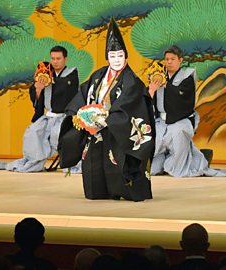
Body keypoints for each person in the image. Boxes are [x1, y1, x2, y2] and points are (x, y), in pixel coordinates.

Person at [58, 18, 155, 201]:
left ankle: (123, 191)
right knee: (93, 165)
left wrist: (107, 119)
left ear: (126, 56)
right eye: (112, 56)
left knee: (117, 161)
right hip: (94, 129)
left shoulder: (131, 81)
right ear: (107, 57)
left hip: (117, 130)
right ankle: (99, 190)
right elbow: (82, 93)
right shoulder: (98, 75)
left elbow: (131, 103)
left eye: (120, 56)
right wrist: (80, 114)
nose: (117, 60)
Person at [149, 45, 226, 177]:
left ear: (180, 60)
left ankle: (195, 160)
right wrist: (151, 91)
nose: (169, 62)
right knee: (152, 162)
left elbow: (184, 97)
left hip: (180, 119)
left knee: (178, 136)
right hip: (160, 121)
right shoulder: (158, 76)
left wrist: (166, 86)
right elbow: (149, 98)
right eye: (167, 59)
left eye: (172, 59)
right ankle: (161, 162)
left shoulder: (186, 76)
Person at [5, 45, 80, 173]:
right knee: (33, 132)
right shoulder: (45, 74)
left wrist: (50, 80)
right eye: (53, 58)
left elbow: (67, 85)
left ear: (65, 59)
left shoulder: (72, 73)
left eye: (58, 58)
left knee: (58, 135)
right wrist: (38, 90)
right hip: (49, 116)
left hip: (65, 117)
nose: (55, 61)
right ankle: (34, 164)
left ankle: (71, 164)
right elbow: (36, 95)